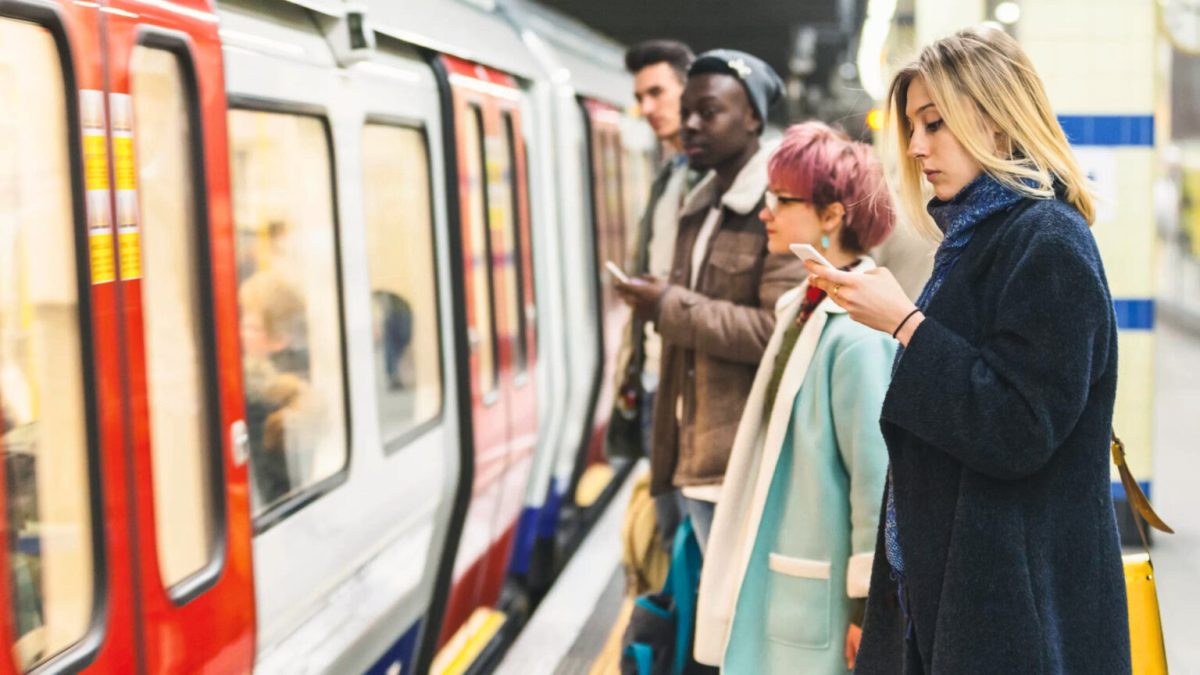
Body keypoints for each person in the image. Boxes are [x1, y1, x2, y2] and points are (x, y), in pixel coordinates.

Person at [805, 27, 1131, 673]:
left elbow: (1018, 427)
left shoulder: (1049, 242)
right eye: (912, 127)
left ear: (1000, 123)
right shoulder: (978, 237)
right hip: (957, 591)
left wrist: (905, 323)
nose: (918, 147)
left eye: (935, 123)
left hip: (1016, 612)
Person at [693, 122, 896, 673]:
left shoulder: (857, 335)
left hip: (821, 595)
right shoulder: (803, 305)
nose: (766, 212)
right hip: (791, 576)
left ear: (832, 217)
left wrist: (866, 605)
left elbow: (874, 481)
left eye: (782, 200)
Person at [615, 49, 805, 552]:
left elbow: (779, 332)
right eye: (688, 113)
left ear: (753, 118)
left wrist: (666, 307)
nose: (691, 125)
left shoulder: (778, 206)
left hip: (739, 466)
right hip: (690, 454)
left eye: (710, 112)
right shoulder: (701, 207)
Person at [608, 40, 695, 461]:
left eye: (656, 93)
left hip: (686, 386)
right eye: (640, 97)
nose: (646, 107)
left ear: (690, 90)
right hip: (653, 374)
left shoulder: (711, 178)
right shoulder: (669, 176)